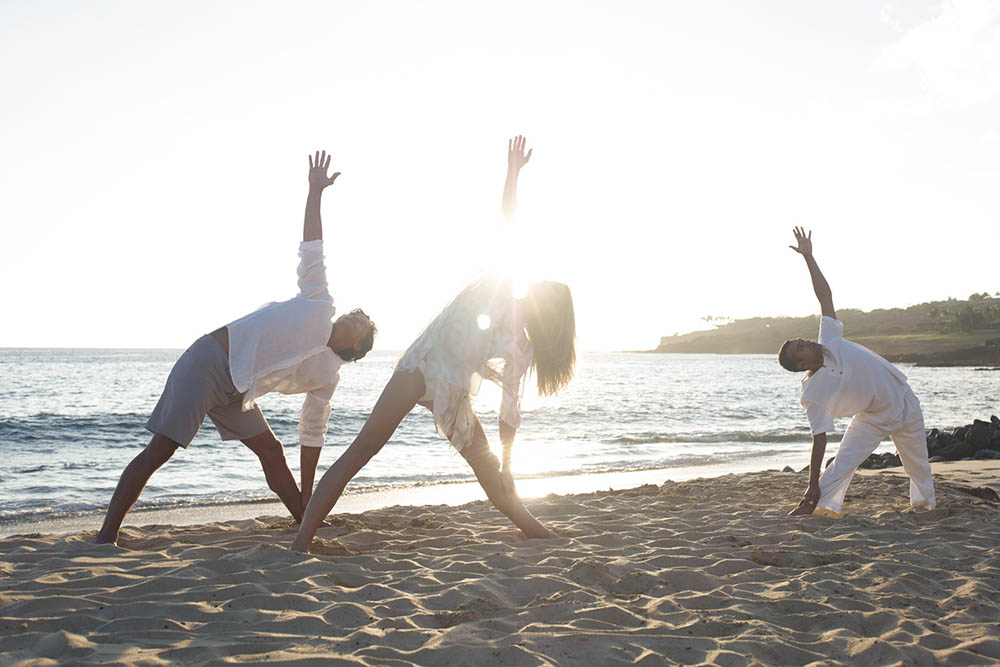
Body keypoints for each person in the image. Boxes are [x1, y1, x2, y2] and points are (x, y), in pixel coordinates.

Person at [291, 136, 575, 552]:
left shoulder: (523, 348)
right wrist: (512, 174)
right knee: (360, 452)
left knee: (491, 472)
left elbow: (509, 410)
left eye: (542, 293)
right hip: (419, 371)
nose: (533, 289)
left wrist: (511, 465)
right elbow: (506, 226)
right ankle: (301, 543)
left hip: (454, 393)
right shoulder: (499, 284)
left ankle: (539, 534)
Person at [94, 151, 377, 545]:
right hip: (210, 363)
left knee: (272, 451)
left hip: (237, 390)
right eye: (357, 316)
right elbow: (312, 247)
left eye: (361, 323)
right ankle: (107, 534)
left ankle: (303, 517)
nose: (354, 317)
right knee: (161, 449)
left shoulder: (328, 377)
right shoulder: (319, 302)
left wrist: (311, 495)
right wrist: (315, 193)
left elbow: (312, 432)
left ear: (357, 346)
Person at [779, 227, 936, 516]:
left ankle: (925, 508)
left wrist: (809, 258)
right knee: (842, 464)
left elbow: (824, 295)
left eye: (801, 340)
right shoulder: (813, 393)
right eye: (800, 347)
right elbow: (820, 439)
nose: (806, 341)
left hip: (903, 397)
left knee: (918, 464)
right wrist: (811, 482)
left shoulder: (830, 341)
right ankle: (810, 505)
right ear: (801, 364)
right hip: (873, 419)